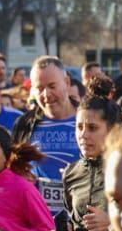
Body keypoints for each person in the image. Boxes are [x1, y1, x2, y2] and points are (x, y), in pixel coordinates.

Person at [55, 82, 122, 231]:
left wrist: (112, 223)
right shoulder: (71, 173)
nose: (83, 135)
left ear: (112, 130)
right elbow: (73, 222)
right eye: (79, 127)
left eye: (92, 128)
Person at [12, 55, 81, 215]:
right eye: (39, 88)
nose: (46, 94)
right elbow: (13, 169)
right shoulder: (24, 124)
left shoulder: (90, 118)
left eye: (52, 86)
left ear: (67, 83)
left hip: (84, 221)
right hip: (38, 220)